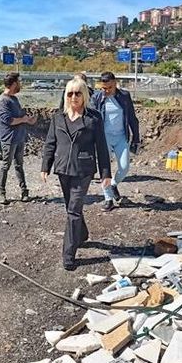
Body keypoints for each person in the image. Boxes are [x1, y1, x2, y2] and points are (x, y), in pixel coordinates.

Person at [41, 78, 111, 271]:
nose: (74, 97)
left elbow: (102, 147)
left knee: (73, 210)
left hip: (83, 170)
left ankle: (68, 255)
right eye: (70, 93)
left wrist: (106, 173)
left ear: (84, 95)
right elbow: (50, 143)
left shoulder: (93, 118)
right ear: (66, 96)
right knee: (72, 208)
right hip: (63, 169)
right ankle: (81, 234)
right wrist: (45, 166)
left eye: (78, 93)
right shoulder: (58, 118)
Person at [91, 71, 140, 212]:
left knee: (124, 168)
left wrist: (136, 138)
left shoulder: (124, 96)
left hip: (121, 137)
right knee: (105, 169)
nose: (106, 91)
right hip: (104, 138)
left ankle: (113, 184)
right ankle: (108, 199)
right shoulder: (97, 98)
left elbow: (132, 118)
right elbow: (92, 120)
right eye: (103, 88)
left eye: (109, 88)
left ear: (115, 84)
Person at [0, 72, 37, 205]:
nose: (20, 85)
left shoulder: (14, 99)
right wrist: (23, 119)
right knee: (6, 165)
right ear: (13, 84)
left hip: (19, 137)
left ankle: (24, 192)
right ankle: (1, 193)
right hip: (9, 139)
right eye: (18, 82)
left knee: (19, 165)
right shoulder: (2, 100)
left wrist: (29, 119)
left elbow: (20, 117)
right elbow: (9, 120)